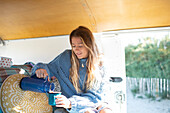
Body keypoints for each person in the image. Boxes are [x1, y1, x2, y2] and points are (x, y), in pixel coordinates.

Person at [32, 26, 113, 113]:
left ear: (89, 45)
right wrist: (40, 68)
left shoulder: (100, 64)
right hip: (72, 106)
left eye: (80, 46)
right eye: (73, 46)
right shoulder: (65, 57)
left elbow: (95, 98)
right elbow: (48, 67)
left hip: (94, 102)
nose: (76, 49)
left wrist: (71, 103)